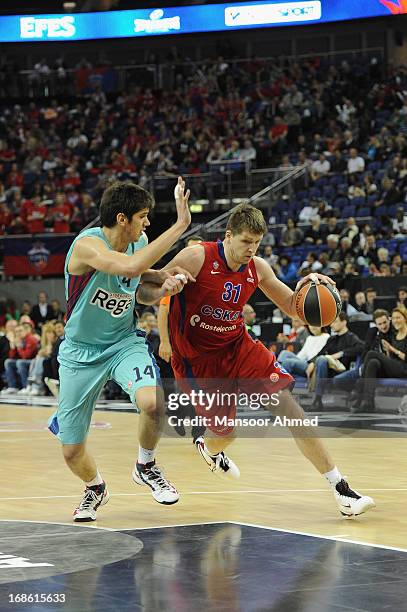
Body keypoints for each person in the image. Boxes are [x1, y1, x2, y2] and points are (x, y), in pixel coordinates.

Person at [138, 203, 375, 518]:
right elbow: (148, 290)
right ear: (228, 235)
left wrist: (310, 285)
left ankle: (340, 487)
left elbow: (293, 306)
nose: (251, 249)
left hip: (239, 346)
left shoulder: (257, 268)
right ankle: (207, 447)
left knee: (291, 409)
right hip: (198, 361)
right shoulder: (196, 257)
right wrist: (165, 299)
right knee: (225, 434)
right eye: (246, 241)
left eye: (257, 243)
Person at [48, 177, 192, 522]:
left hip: (122, 343)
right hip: (80, 353)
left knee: (152, 402)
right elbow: (127, 268)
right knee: (71, 451)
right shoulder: (86, 245)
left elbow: (136, 287)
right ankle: (95, 488)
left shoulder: (138, 242)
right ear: (123, 219)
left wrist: (162, 284)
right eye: (142, 216)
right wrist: (181, 225)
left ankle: (146, 464)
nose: (147, 223)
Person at [358, 307, 407, 412]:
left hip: (404, 369)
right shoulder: (395, 335)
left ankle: (358, 388)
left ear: (405, 318)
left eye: (398, 317)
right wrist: (388, 352)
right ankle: (368, 402)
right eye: (394, 318)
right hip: (395, 368)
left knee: (371, 354)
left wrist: (392, 349)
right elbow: (391, 360)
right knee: (373, 363)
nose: (395, 321)